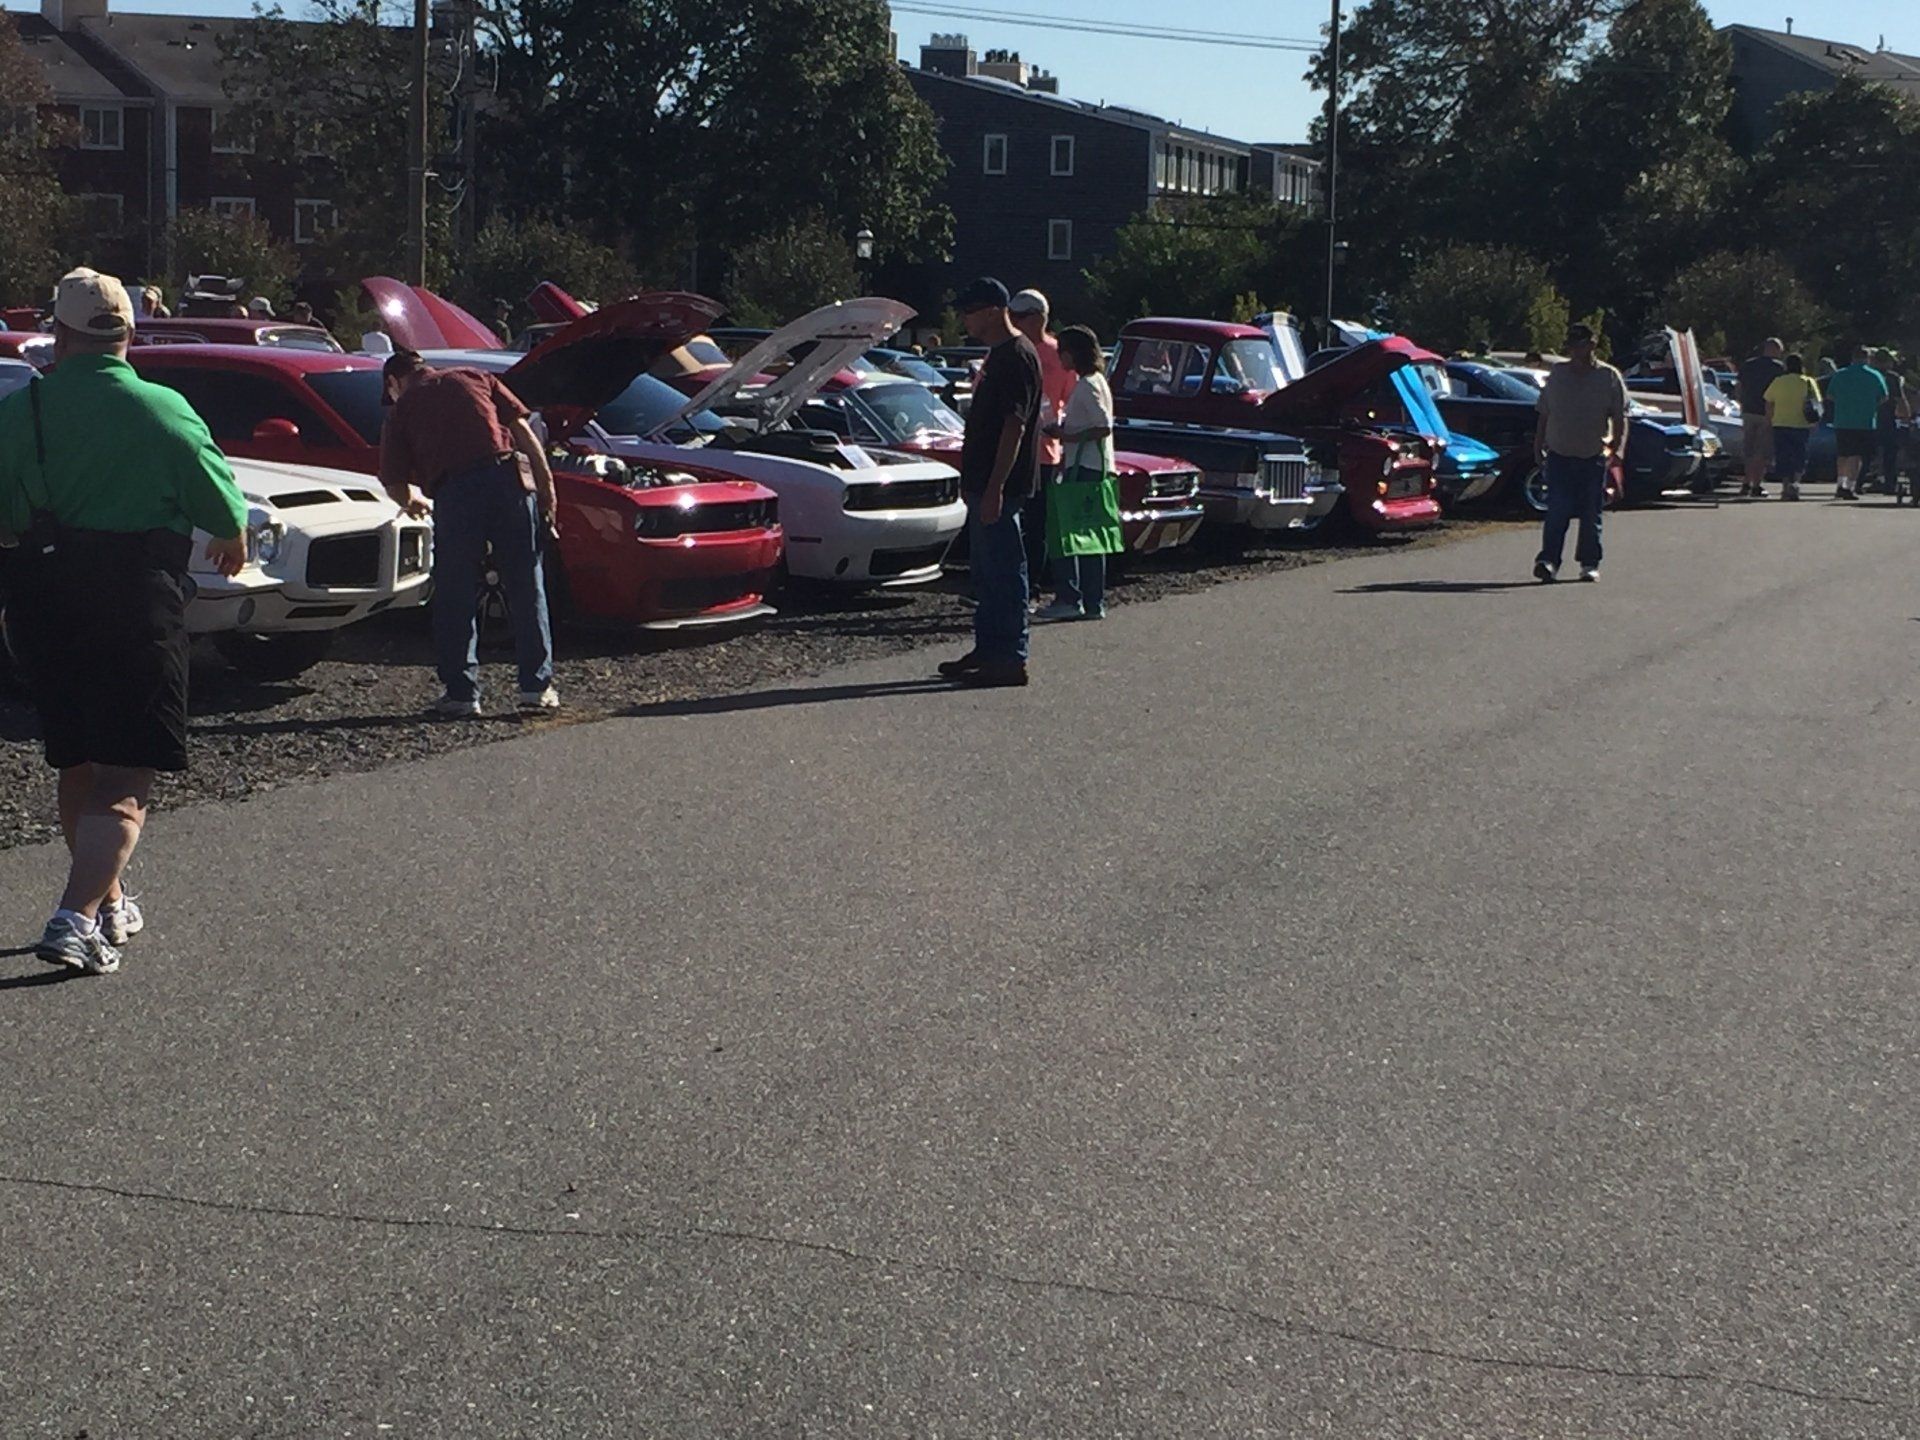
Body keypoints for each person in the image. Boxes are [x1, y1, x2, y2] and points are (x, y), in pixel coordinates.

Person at [0, 268, 249, 974]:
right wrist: (230, 535)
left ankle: (108, 900)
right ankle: (74, 919)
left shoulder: (24, 411)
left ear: (59, 331)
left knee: (76, 759)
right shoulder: (162, 408)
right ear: (129, 333)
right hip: (134, 597)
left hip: (43, 599)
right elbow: (221, 509)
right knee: (125, 777)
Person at [378, 348, 561, 715]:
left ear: (393, 383)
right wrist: (547, 492)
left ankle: (462, 694)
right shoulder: (476, 376)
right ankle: (535, 689)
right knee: (527, 583)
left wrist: (412, 503)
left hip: (455, 492)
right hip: (509, 480)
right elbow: (524, 434)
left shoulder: (401, 409)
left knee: (455, 591)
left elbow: (393, 480)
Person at [938, 277, 1040, 688]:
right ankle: (989, 648)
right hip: (983, 482)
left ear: (995, 310)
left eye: (970, 310)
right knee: (985, 571)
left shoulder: (1017, 356)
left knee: (1004, 569)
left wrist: (997, 485)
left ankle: (1010, 655)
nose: (964, 318)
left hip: (1003, 485)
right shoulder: (997, 355)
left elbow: (1013, 425)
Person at [1034, 325, 1123, 622]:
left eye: (1062, 353)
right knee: (1090, 534)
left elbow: (1102, 426)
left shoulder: (1087, 385)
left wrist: (1064, 435)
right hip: (1089, 465)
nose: (1060, 358)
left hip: (1086, 468)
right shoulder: (1096, 381)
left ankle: (1071, 597)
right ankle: (1090, 600)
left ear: (1072, 353)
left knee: (1071, 533)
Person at [1532, 322, 1629, 584]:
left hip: (1592, 454)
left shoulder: (1608, 377)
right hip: (1559, 452)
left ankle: (1589, 563)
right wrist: (1538, 444)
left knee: (1590, 512)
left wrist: (1617, 449)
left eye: (1582, 345)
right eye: (1573, 346)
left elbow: (1620, 417)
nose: (1577, 351)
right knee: (1557, 510)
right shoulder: (1558, 374)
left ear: (1592, 345)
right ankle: (1548, 561)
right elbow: (1544, 413)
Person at [1009, 288, 1075, 592]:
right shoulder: (1006, 349)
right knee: (1005, 521)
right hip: (1009, 449)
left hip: (1044, 453)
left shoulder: (1058, 354)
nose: (1014, 321)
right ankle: (1003, 584)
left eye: (1020, 316)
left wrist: (1059, 426)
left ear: (1039, 318)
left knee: (1037, 525)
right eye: (1012, 315)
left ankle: (1031, 585)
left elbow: (1072, 403)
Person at [1826, 346, 1889, 501]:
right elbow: (1884, 397)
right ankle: (1850, 486)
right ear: (1867, 358)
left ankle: (1840, 483)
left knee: (1843, 454)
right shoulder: (1874, 375)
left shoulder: (1840, 375)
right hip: (1864, 421)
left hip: (1842, 420)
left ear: (1852, 357)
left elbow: (1830, 395)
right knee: (1857, 455)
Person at [1762, 353, 1821, 502]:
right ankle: (1796, 483)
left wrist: (1769, 419)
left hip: (1781, 423)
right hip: (1801, 424)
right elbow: (1816, 403)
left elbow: (1769, 401)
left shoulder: (1779, 381)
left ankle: (1785, 486)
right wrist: (1814, 423)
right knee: (1799, 456)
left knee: (1783, 456)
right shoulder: (1808, 382)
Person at [1735, 337, 1785, 499]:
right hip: (1767, 413)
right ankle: (1756, 485)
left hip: (1749, 412)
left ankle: (1746, 482)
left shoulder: (1748, 365)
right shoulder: (1779, 368)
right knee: (1762, 451)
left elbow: (1739, 386)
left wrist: (1741, 402)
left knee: (1749, 449)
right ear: (1775, 350)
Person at [1867, 349, 1912, 495]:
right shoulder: (1892, 378)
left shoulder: (1868, 375)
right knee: (1889, 453)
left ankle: (1860, 481)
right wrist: (1906, 416)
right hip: (1887, 419)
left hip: (1868, 418)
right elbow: (1900, 399)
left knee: (1868, 452)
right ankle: (1889, 483)